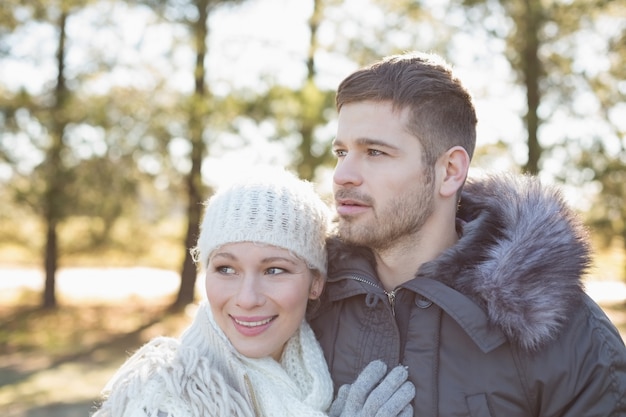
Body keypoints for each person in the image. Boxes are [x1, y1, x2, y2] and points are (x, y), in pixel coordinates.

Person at [308, 51, 626, 416]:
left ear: (450, 170)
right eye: (341, 151)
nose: (342, 175)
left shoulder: (563, 332)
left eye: (375, 152)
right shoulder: (304, 303)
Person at [92, 167, 415, 417]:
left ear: (316, 282)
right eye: (226, 269)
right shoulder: (165, 395)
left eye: (275, 270)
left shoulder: (323, 376)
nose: (247, 298)